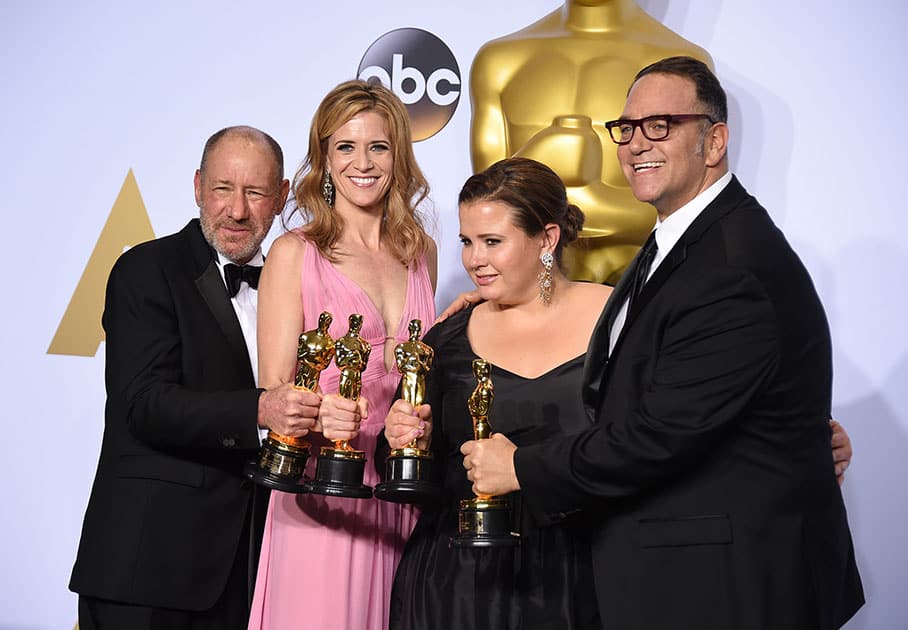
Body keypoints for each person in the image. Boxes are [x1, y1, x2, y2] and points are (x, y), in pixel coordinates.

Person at [463, 57, 864, 629]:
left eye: (661, 125)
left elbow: (661, 435)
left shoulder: (731, 264)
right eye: (626, 127)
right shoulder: (681, 243)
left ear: (715, 140)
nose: (634, 143)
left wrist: (522, 467)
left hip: (728, 583)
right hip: (685, 572)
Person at [69, 126, 322, 630]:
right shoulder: (146, 269)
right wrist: (259, 409)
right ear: (197, 187)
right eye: (223, 189)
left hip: (249, 570)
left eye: (255, 192)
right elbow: (143, 403)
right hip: (147, 570)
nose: (237, 210)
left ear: (282, 198)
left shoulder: (295, 284)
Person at [382, 156, 611, 629]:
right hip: (458, 589)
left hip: (582, 579)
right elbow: (416, 484)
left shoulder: (619, 322)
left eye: (492, 242)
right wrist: (408, 443)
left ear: (547, 239)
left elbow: (643, 446)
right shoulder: (444, 342)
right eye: (467, 242)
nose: (473, 260)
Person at [248, 79, 437, 630]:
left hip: (400, 492)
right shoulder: (294, 253)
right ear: (324, 159)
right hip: (320, 492)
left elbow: (419, 371)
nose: (363, 163)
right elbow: (275, 392)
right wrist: (317, 414)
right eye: (345, 147)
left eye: (378, 147)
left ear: (398, 157)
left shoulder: (420, 251)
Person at [470, 0, 712, 283]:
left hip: (641, 295)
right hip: (531, 297)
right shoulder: (500, 61)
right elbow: (488, 207)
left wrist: (581, 201)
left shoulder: (683, 64)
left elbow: (688, 204)